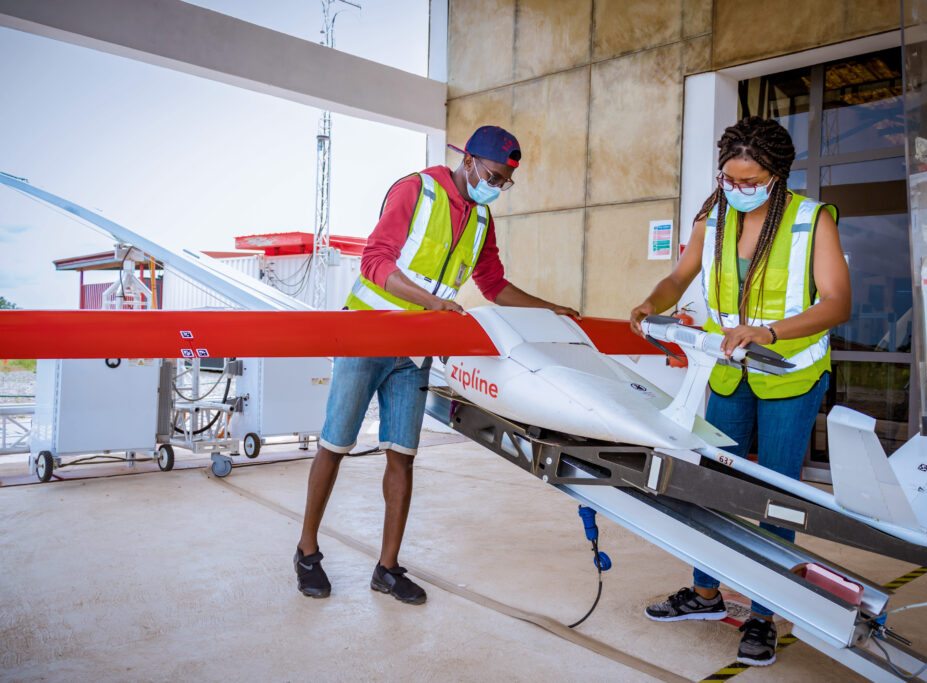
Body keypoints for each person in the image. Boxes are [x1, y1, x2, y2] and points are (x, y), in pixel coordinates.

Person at [294, 125, 579, 605]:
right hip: (369, 335)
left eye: (505, 182)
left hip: (415, 351)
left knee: (402, 456)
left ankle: (387, 568)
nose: (497, 187)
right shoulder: (416, 190)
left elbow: (493, 285)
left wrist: (547, 308)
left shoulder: (482, 219)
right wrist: (430, 303)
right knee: (335, 444)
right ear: (468, 161)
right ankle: (306, 551)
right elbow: (375, 263)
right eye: (493, 175)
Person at [629, 116, 850, 666]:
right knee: (710, 485)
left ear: (776, 177)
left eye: (750, 181)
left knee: (774, 494)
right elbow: (679, 277)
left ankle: (762, 614)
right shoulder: (715, 216)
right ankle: (705, 594)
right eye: (730, 177)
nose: (737, 188)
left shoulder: (811, 220)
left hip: (789, 372)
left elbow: (837, 303)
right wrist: (651, 302)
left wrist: (771, 332)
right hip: (727, 371)